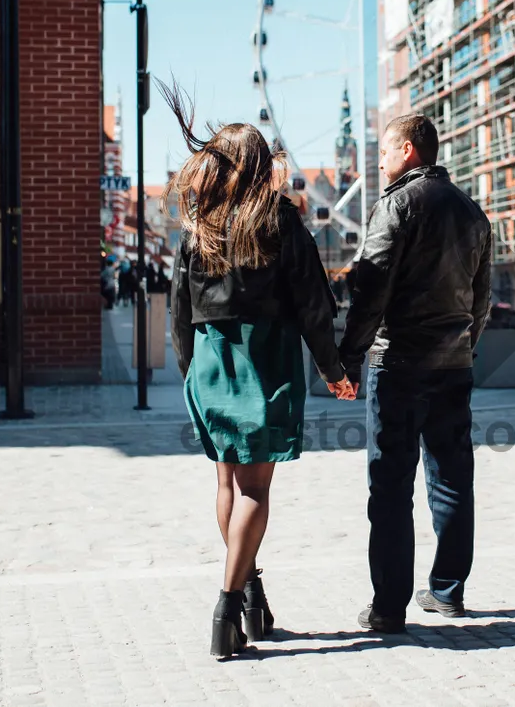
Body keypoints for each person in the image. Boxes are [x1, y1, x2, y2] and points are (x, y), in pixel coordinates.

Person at [163, 82, 355, 658]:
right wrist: (334, 369)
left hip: (209, 363)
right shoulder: (278, 221)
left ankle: (251, 595)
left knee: (226, 482)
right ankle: (226, 608)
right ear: (254, 167)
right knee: (254, 489)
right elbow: (314, 304)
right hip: (261, 360)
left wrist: (188, 372)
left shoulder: (199, 229)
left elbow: (177, 308)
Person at [339, 113, 492, 634]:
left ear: (407, 150)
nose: (378, 161)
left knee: (390, 484)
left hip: (399, 362)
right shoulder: (472, 212)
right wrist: (465, 346)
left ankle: (388, 606)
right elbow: (482, 297)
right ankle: (448, 591)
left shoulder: (396, 204)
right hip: (453, 364)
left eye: (383, 151)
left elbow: (370, 286)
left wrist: (349, 355)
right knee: (452, 478)